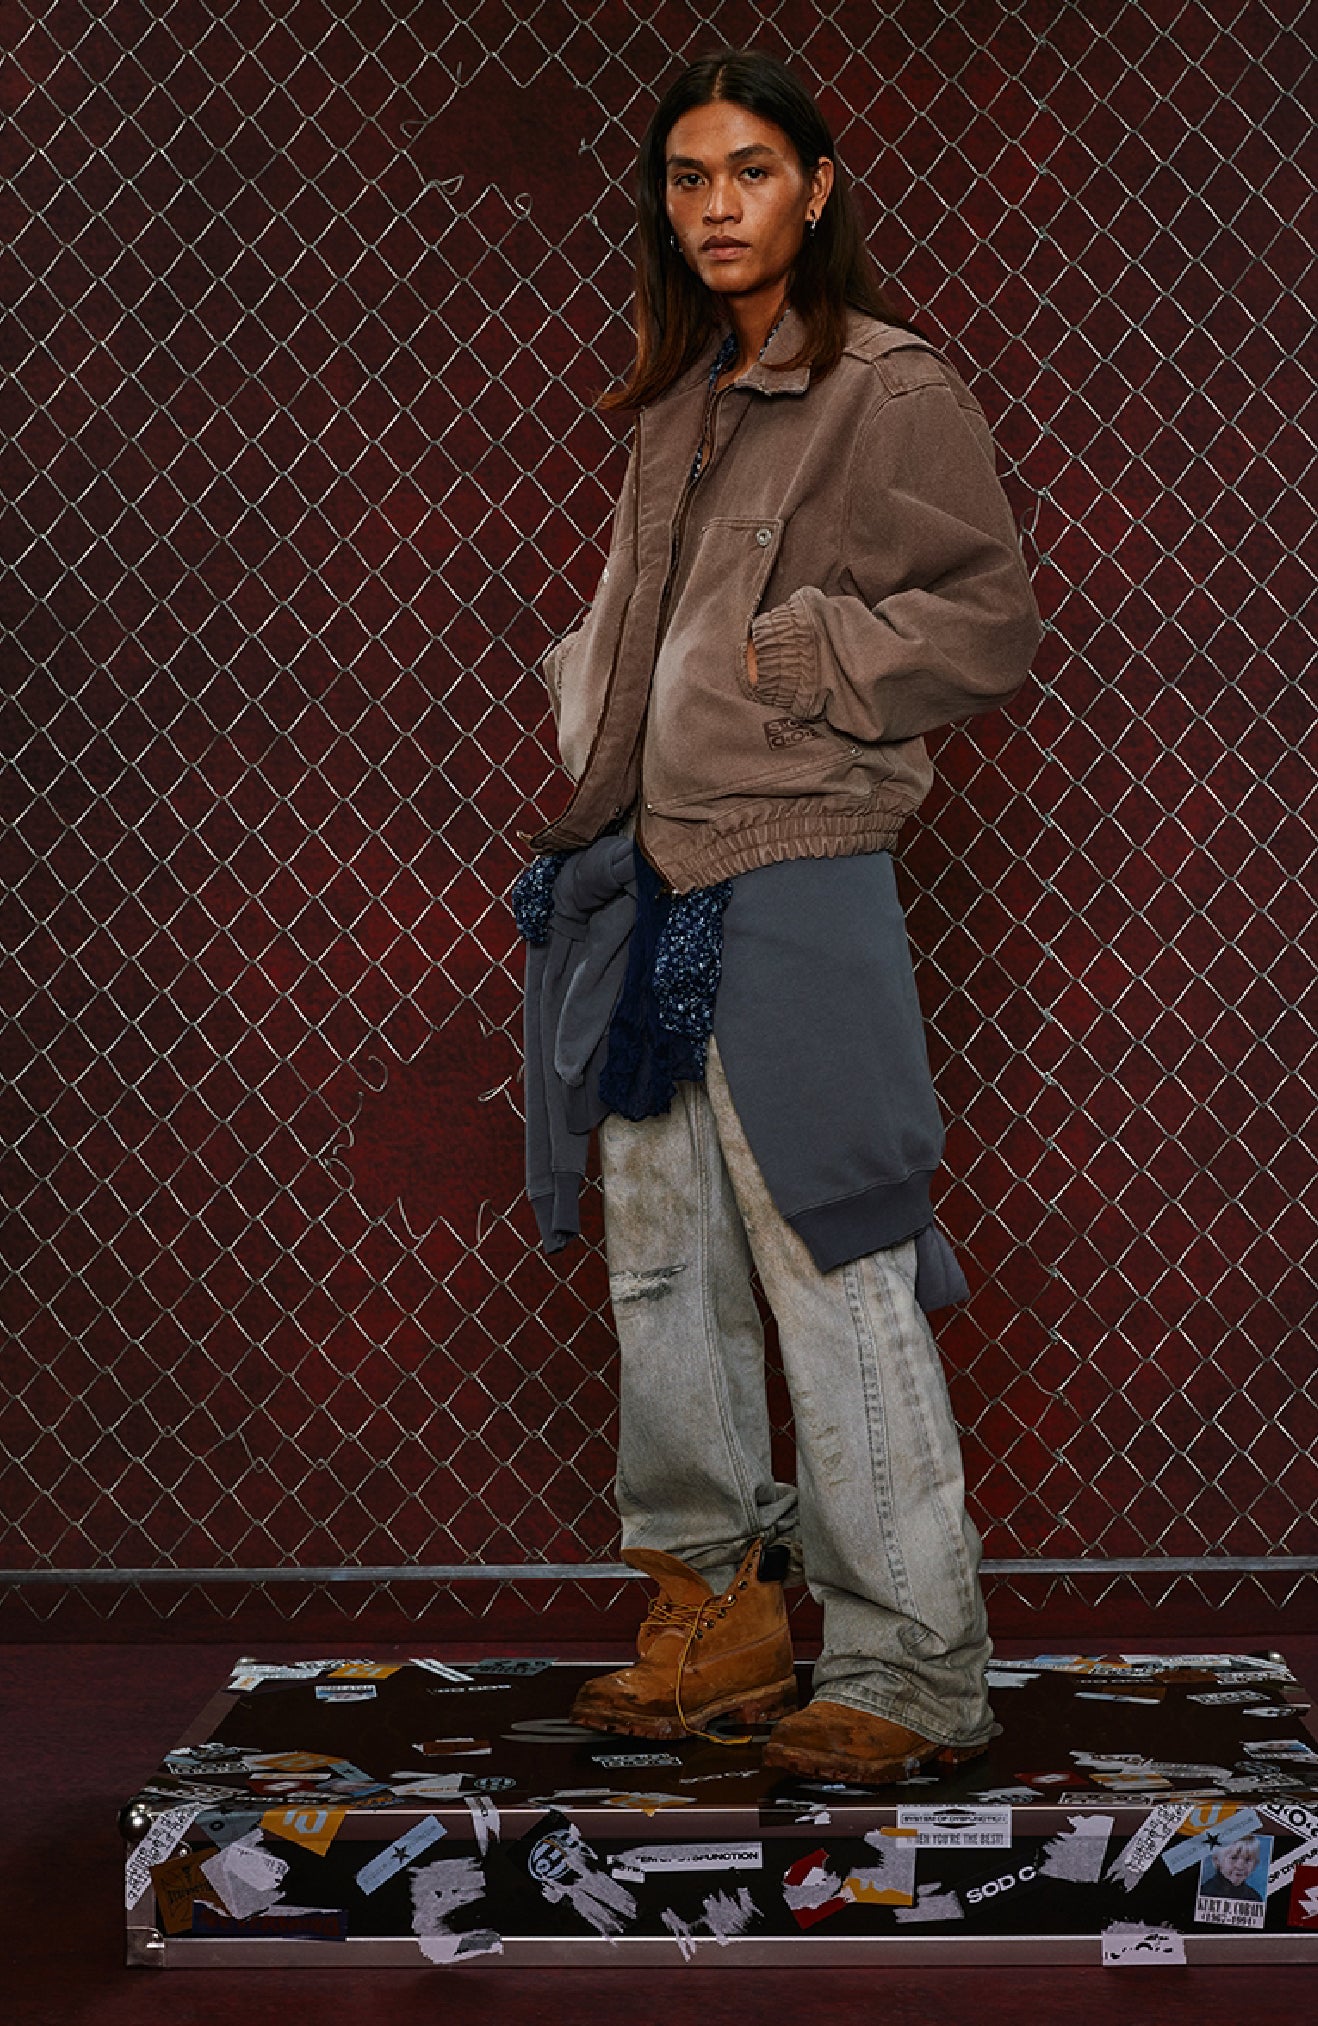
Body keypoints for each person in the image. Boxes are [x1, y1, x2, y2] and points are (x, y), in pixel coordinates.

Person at [515, 48, 1042, 1784]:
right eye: (686, 177)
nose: (716, 205)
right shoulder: (676, 405)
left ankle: (909, 1663)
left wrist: (804, 655)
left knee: (833, 1254)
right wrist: (593, 707)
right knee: (662, 1265)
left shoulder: (887, 388)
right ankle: (716, 1618)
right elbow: (639, 630)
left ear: (814, 187)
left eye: (749, 170)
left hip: (797, 869)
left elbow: (987, 620)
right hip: (647, 877)